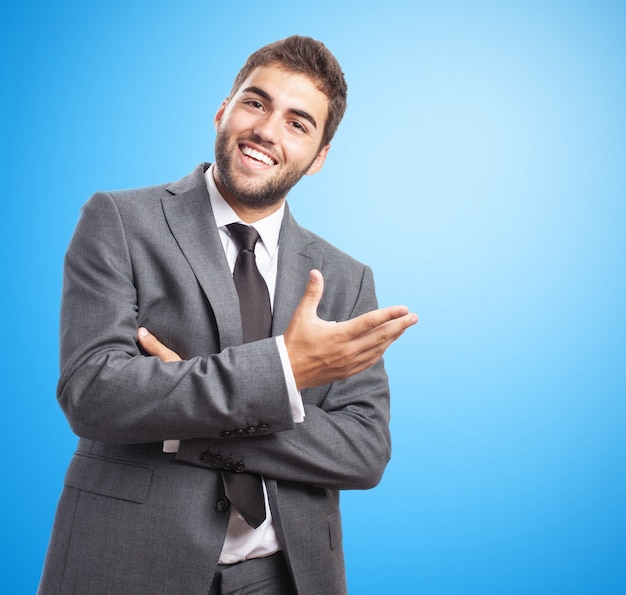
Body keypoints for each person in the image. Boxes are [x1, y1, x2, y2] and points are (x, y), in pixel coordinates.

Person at [39, 35, 418, 594]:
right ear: (224, 109)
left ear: (319, 158)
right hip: (129, 565)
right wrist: (285, 373)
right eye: (256, 102)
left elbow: (363, 453)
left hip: (285, 575)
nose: (267, 130)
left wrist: (182, 424)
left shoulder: (344, 277)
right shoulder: (120, 220)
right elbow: (93, 392)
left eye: (298, 123)